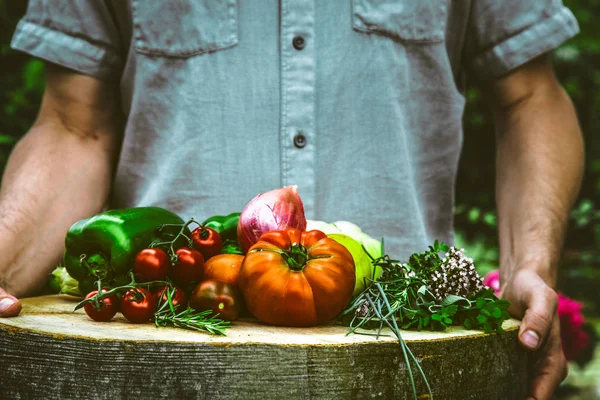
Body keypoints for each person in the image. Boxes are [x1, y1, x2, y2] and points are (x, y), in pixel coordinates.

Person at [0, 1, 584, 398]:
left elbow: (529, 97)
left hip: (409, 358)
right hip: (156, 355)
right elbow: (73, 124)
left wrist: (533, 265)